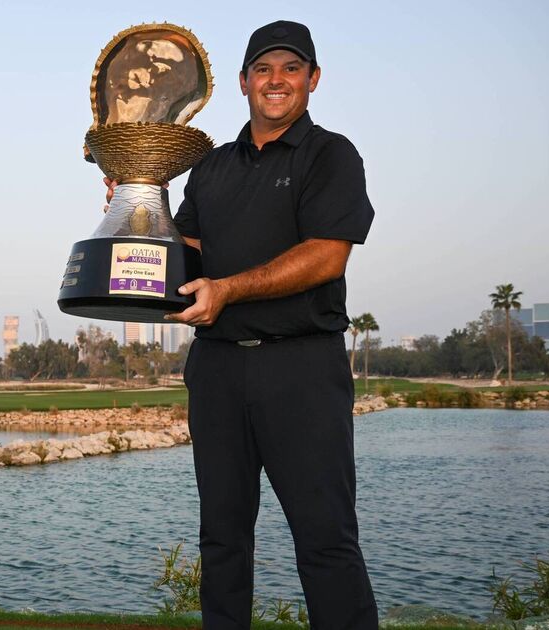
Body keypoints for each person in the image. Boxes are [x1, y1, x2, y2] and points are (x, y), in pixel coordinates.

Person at [160, 19, 378, 629]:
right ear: (243, 81)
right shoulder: (210, 166)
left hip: (301, 366)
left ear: (312, 79)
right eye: (263, 69)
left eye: (289, 68)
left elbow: (327, 254)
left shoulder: (330, 154)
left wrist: (228, 289)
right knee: (222, 538)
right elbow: (188, 257)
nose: (275, 80)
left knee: (325, 537)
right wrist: (138, 203)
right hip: (219, 367)